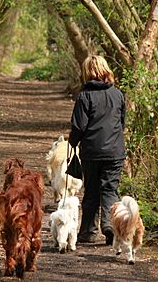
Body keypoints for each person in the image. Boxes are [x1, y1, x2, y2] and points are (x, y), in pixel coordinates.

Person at [68, 55, 126, 245]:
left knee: (91, 190)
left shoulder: (84, 96)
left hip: (92, 151)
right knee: (110, 189)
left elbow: (79, 126)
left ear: (87, 72)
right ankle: (110, 226)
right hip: (115, 151)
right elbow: (121, 123)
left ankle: (88, 232)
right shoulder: (117, 94)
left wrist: (73, 142)